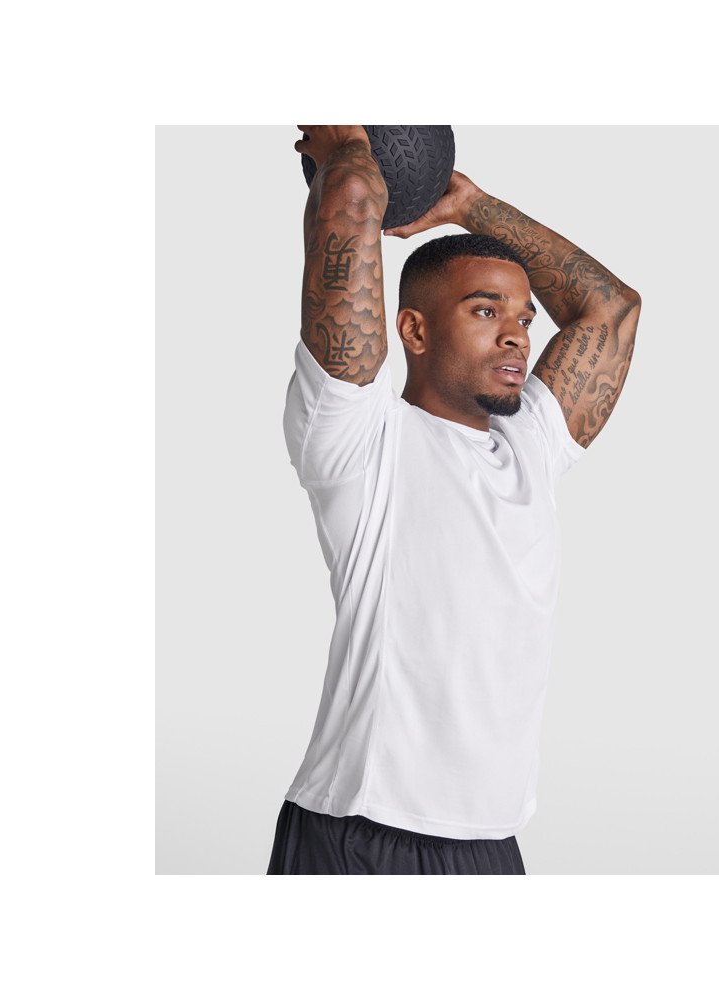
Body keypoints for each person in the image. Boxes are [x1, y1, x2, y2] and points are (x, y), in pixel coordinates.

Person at [266, 125, 641, 875]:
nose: (518, 336)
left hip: (492, 843)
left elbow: (611, 309)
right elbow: (353, 195)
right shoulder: (357, 438)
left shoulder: (530, 447)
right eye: (484, 311)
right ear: (412, 329)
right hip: (359, 835)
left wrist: (471, 205)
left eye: (524, 317)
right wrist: (349, 145)